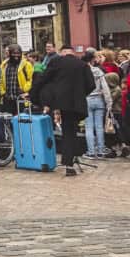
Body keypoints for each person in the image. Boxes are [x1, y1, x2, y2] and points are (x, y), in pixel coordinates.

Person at [30, 44, 97, 176]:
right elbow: (91, 85)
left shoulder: (56, 61)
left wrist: (34, 94)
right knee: (72, 131)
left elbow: (44, 79)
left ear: (62, 52)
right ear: (72, 52)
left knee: (66, 132)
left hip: (61, 101)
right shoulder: (82, 64)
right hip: (77, 103)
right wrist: (80, 94)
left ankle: (68, 163)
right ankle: (70, 161)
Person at [83, 48, 113, 158]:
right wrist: (109, 102)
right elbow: (105, 88)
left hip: (87, 99)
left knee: (89, 127)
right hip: (99, 99)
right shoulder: (98, 71)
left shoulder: (82, 72)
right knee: (99, 126)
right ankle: (101, 151)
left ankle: (91, 152)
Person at [0, 45, 33, 114]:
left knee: (21, 120)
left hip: (21, 98)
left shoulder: (26, 64)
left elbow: (31, 79)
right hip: (8, 98)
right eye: (14, 53)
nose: (16, 55)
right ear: (10, 54)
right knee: (9, 121)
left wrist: (24, 89)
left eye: (18, 53)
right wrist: (3, 93)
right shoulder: (4, 65)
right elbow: (1, 80)